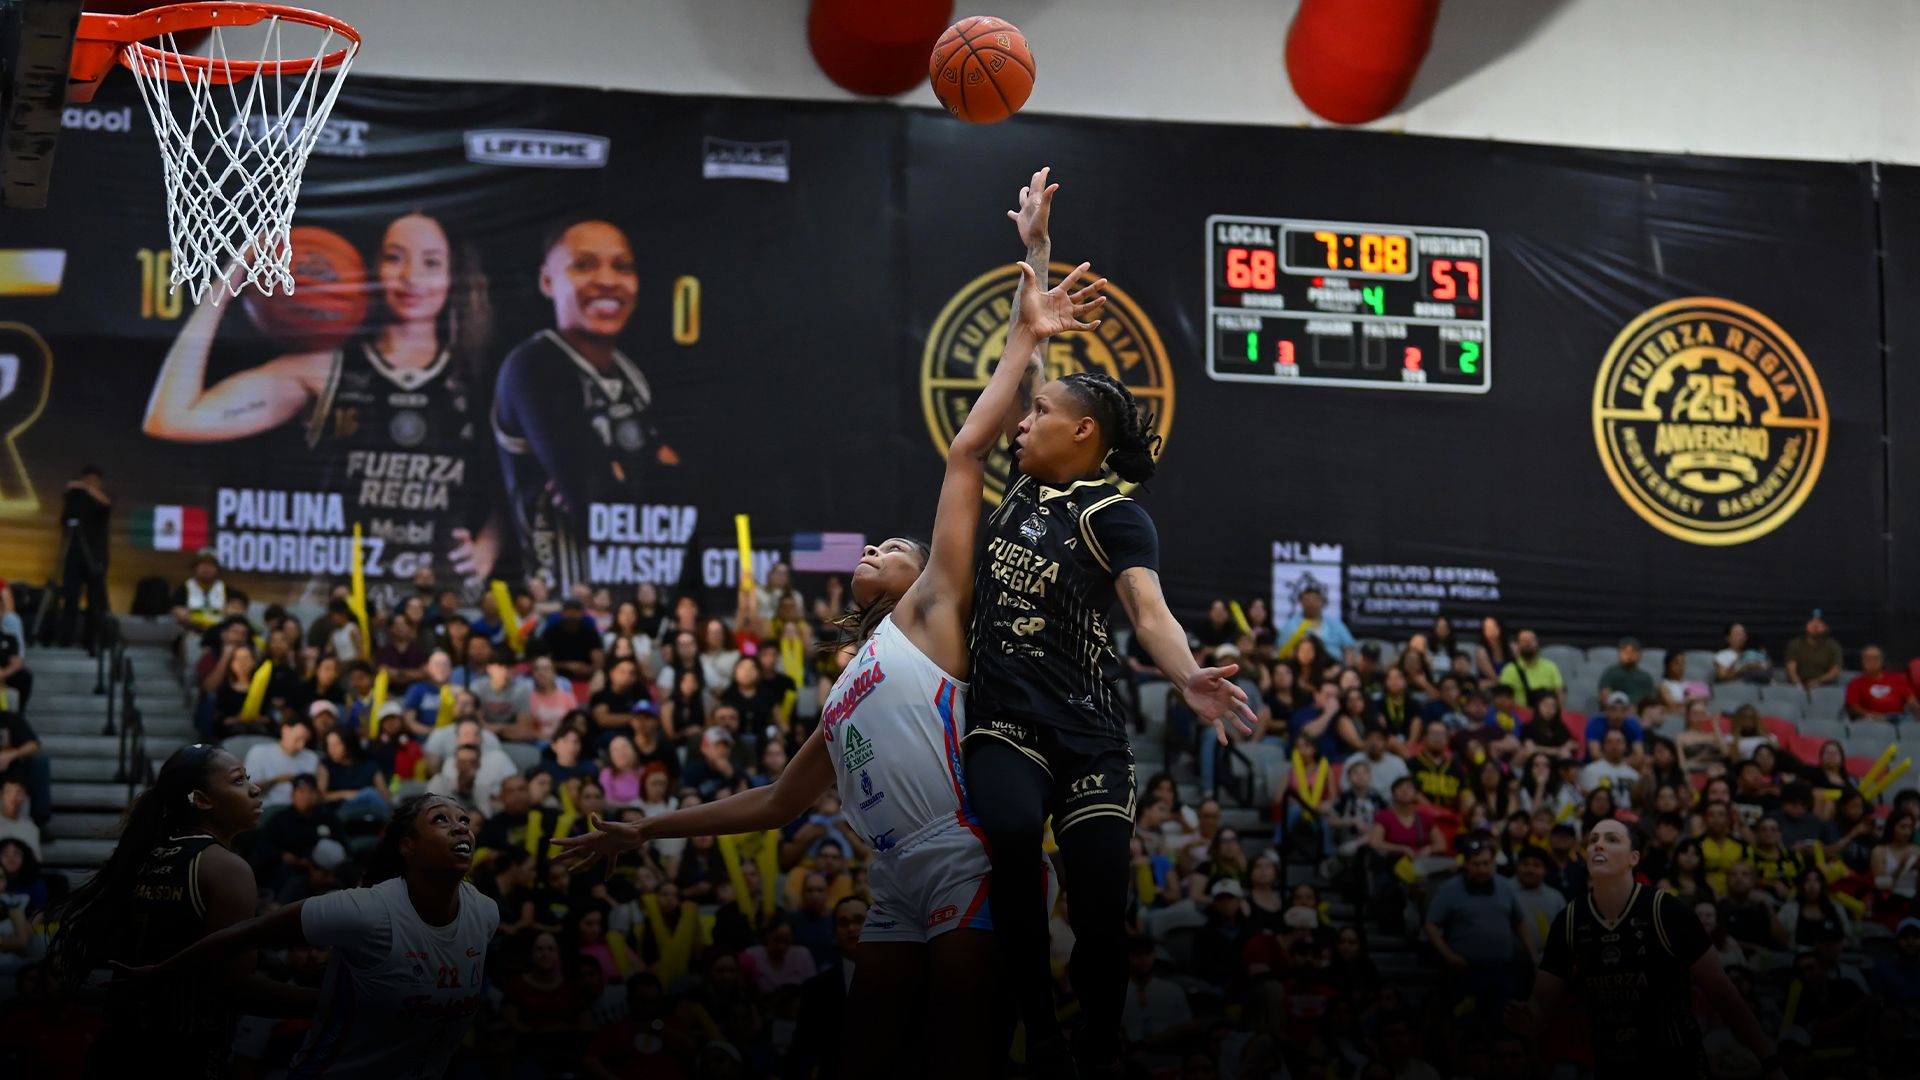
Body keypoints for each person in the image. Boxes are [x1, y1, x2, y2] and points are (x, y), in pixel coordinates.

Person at [556, 186, 1102, 1078]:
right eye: (879, 545)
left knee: (962, 1057)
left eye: (895, 545)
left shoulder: (934, 611)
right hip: (892, 877)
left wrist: (1032, 294)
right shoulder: (848, 681)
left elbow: (967, 450)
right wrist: (642, 830)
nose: (879, 544)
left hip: (967, 855)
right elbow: (775, 803)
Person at [960, 174, 1257, 1077]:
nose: (1022, 417)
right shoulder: (1023, 477)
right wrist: (1038, 251)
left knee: (1099, 908)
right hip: (1007, 718)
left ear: (1082, 434)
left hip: (1091, 736)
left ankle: (1096, 1038)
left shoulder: (1113, 514)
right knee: (1010, 833)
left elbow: (1149, 610)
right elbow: (1034, 342)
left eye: (1040, 415)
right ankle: (1037, 1025)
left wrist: (1188, 675)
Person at [146, 212, 501, 589]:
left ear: (454, 277)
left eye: (432, 263)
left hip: (442, 592)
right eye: (394, 258)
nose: (412, 277)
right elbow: (171, 417)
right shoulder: (325, 368)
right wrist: (232, 275)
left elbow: (528, 471)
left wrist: (490, 545)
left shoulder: (477, 376)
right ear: (368, 269)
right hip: (337, 594)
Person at [113, 793, 498, 1076]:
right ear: (407, 846)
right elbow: (249, 933)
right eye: (440, 819)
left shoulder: (485, 914)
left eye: (463, 819)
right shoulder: (367, 910)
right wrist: (160, 972)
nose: (460, 825)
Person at [43, 744, 313, 1078]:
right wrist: (331, 1001)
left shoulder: (145, 854)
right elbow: (234, 986)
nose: (255, 788)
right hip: (179, 1055)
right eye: (239, 780)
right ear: (201, 800)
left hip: (116, 1047)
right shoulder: (226, 868)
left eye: (249, 778)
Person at [1508, 819, 1784, 1080]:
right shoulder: (1569, 920)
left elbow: (1723, 994)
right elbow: (1542, 1004)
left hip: (1676, 1062)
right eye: (1593, 840)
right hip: (1611, 1063)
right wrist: (1527, 1016)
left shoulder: (1666, 910)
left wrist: (1769, 1060)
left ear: (1634, 858)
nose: (1598, 846)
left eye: (1612, 839)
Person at [494, 217, 681, 591]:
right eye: (584, 265)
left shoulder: (633, 375)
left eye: (622, 266)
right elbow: (592, 498)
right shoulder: (534, 365)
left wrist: (624, 478)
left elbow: (689, 494)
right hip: (562, 597)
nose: (608, 280)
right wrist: (643, 473)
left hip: (642, 589)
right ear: (548, 281)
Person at [1424, 834, 1527, 1028]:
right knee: (1466, 1025)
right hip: (1465, 972)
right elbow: (1431, 925)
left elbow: (1519, 922)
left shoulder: (1504, 886)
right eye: (1476, 864)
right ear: (1466, 864)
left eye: (1487, 863)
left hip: (1502, 971)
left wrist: (1531, 955)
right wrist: (1449, 956)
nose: (1482, 869)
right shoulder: (1449, 889)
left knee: (1501, 1025)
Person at [787, 893, 869, 1080]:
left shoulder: (900, 978)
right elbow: (801, 1052)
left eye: (859, 920)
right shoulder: (815, 989)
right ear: (833, 933)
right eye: (843, 923)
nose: (852, 928)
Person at [55, 465, 111, 651]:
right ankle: (65, 640)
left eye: (94, 480)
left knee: (95, 601)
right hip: (74, 555)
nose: (89, 483)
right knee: (70, 596)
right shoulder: (76, 500)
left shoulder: (102, 498)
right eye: (87, 479)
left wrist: (88, 488)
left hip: (96, 557)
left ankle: (91, 641)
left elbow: (106, 503)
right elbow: (65, 522)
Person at [1276, 584, 1355, 663]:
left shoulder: (1335, 624)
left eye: (1314, 600)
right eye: (1307, 600)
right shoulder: (1290, 626)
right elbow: (1283, 652)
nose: (1311, 604)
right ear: (1301, 602)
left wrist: (1346, 670)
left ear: (1322, 602)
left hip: (1334, 665)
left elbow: (1349, 648)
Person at [1846, 644, 1918, 720]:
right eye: (1868, 659)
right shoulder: (1855, 683)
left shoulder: (1897, 679)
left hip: (1899, 717)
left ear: (1881, 660)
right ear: (1862, 661)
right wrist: (1872, 715)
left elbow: (1911, 701)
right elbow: (1853, 708)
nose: (1872, 662)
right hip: (1872, 720)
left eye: (1875, 658)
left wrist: (1917, 710)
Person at [1497, 629, 1564, 707]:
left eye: (1531, 640)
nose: (1528, 644)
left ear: (1537, 643)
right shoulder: (1509, 670)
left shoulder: (1551, 667)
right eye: (1524, 641)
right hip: (1520, 715)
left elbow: (1559, 692)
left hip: (1547, 715)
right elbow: (1504, 698)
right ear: (1517, 645)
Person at [1785, 610, 1843, 690]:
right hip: (1798, 685)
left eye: (1819, 623)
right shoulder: (1795, 644)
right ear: (1806, 626)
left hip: (1825, 686)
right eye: (1811, 622)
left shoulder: (1833, 646)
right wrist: (1798, 685)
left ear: (1826, 627)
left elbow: (1835, 671)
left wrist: (1818, 681)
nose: (1815, 626)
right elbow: (1791, 669)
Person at [1597, 638, 1656, 706]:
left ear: (1639, 655)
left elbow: (1651, 700)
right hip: (1618, 711)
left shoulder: (1646, 677)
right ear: (1619, 654)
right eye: (1625, 651)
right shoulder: (1611, 673)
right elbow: (1605, 697)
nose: (1629, 655)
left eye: (1633, 651)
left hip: (1641, 713)